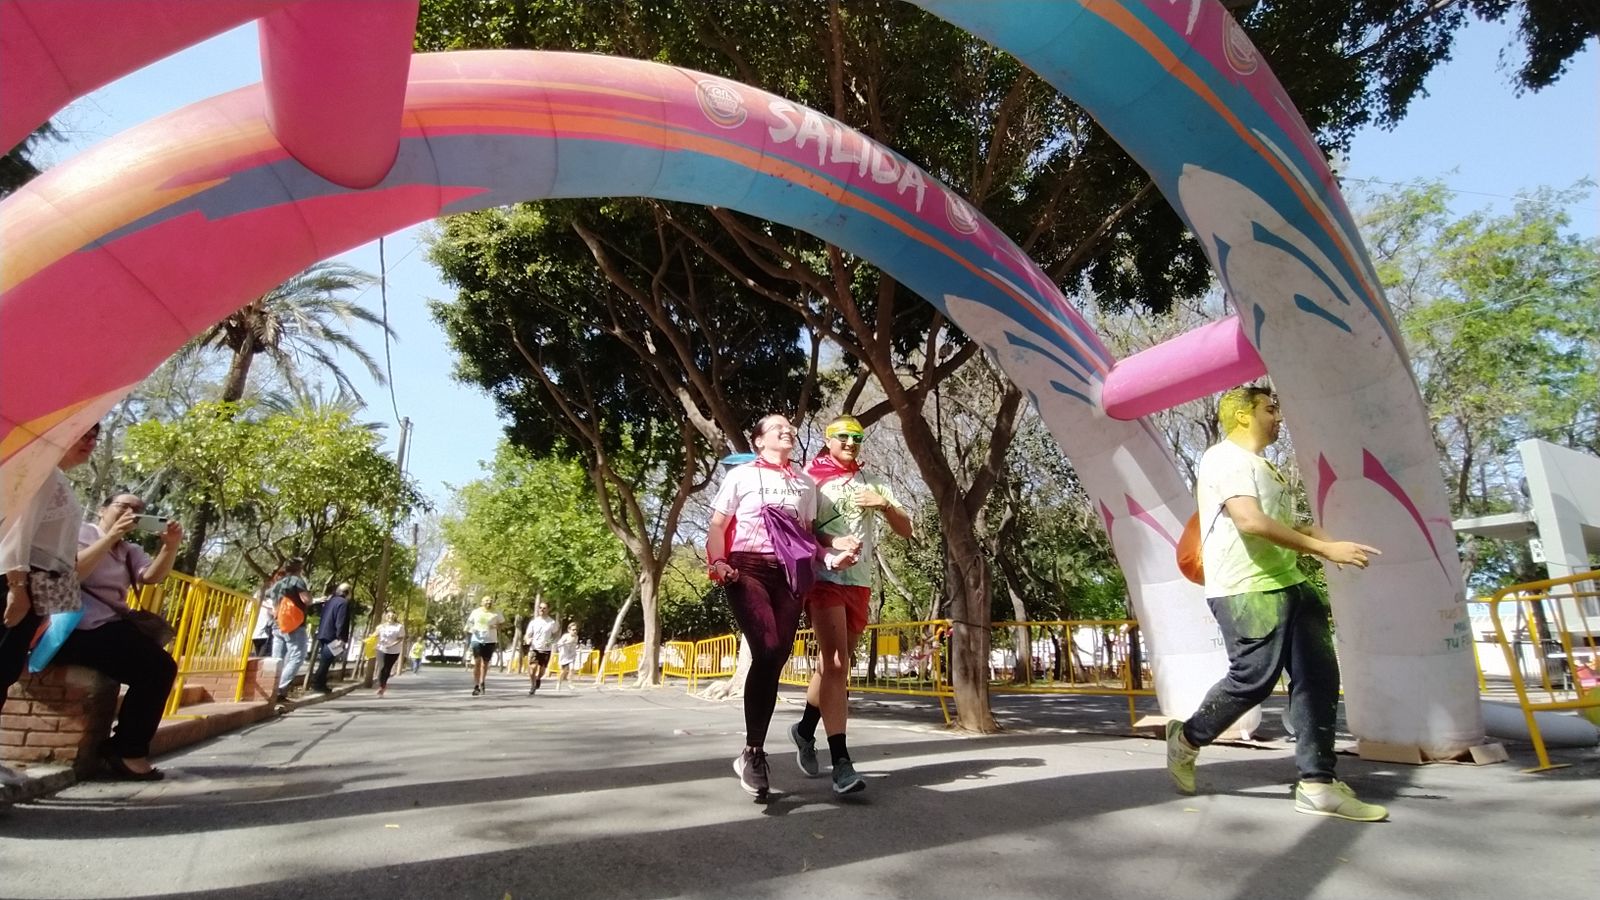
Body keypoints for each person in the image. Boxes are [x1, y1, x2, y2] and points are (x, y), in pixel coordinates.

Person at [1166, 386, 1388, 822]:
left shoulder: (1266, 468)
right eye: (1270, 409)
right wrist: (1323, 550)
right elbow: (1249, 522)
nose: (1278, 418)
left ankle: (1318, 784)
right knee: (1253, 679)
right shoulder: (1223, 457)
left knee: (1319, 679)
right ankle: (1188, 739)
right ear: (1243, 415)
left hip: (1291, 582)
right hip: (1245, 588)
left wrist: (1315, 534)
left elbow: (1274, 524)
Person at [706, 413, 836, 799]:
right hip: (746, 569)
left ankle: (751, 753)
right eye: (777, 427)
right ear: (758, 440)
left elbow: (807, 537)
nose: (787, 430)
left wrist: (830, 557)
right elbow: (716, 525)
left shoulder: (805, 483)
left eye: (790, 427)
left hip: (788, 575)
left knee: (778, 653)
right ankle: (754, 752)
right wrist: (718, 562)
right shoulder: (741, 476)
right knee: (765, 649)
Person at [791, 415, 912, 795]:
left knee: (836, 668)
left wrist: (884, 505)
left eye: (857, 437)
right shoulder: (811, 477)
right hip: (824, 578)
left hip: (859, 585)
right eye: (843, 436)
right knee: (837, 665)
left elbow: (907, 529)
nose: (851, 442)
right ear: (828, 440)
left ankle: (804, 729)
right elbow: (801, 525)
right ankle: (841, 762)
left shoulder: (871, 482)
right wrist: (830, 544)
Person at [62, 491, 183, 780]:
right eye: (123, 506)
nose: (131, 512)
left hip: (108, 625)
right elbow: (74, 572)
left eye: (138, 510)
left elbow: (151, 577)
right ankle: (126, 751)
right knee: (157, 668)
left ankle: (126, 746)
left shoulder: (129, 550)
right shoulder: (81, 533)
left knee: (159, 667)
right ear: (103, 510)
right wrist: (109, 537)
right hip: (72, 626)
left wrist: (170, 547)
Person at [2, 424, 98, 725]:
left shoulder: (58, 480)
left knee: (7, 666)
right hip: (18, 580)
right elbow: (18, 531)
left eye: (95, 436)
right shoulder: (43, 474)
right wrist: (17, 588)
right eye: (83, 433)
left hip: (36, 585)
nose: (90, 442)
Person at [270, 559, 313, 703]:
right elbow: (306, 599)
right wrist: (311, 596)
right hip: (293, 625)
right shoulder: (296, 581)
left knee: (277, 659)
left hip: (277, 624)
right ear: (299, 568)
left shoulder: (278, 583)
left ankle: (270, 687)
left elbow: (272, 602)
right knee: (297, 657)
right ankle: (279, 689)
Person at [309, 582, 352, 694]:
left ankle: (321, 683)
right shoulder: (343, 603)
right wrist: (341, 638)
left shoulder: (330, 601)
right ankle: (317, 683)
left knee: (326, 660)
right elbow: (340, 621)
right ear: (348, 592)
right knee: (326, 661)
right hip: (333, 636)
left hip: (324, 633)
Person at [466, 596, 504, 696]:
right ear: (482, 602)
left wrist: (496, 626)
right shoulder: (476, 612)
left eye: (490, 601)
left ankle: (482, 681)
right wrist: (472, 628)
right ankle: (476, 686)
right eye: (487, 600)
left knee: (485, 663)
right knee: (477, 662)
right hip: (477, 639)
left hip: (490, 640)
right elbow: (469, 623)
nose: (489, 602)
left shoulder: (496, 612)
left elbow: (503, 624)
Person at [524, 600, 559, 696]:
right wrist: (528, 640)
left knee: (542, 670)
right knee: (533, 667)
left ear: (548, 609)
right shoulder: (534, 622)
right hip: (534, 648)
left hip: (546, 649)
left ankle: (538, 678)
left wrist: (550, 642)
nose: (542, 610)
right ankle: (533, 684)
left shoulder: (551, 622)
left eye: (544, 608)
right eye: (540, 608)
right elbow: (527, 634)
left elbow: (556, 635)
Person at [251, 565, 283, 657]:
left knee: (261, 656)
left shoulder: (274, 597)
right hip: (258, 631)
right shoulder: (259, 595)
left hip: (265, 632)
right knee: (260, 656)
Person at [374, 609, 405, 696]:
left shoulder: (399, 627)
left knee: (387, 668)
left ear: (395, 617)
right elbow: (375, 635)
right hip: (381, 648)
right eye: (388, 616)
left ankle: (384, 684)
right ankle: (381, 686)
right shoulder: (381, 627)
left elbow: (400, 638)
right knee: (382, 667)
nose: (390, 618)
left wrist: (391, 645)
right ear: (385, 616)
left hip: (394, 651)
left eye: (392, 616)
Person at [554, 622, 581, 691]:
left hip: (571, 655)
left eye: (576, 630)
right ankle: (559, 683)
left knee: (572, 669)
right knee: (563, 671)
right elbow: (559, 644)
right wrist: (566, 643)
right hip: (564, 656)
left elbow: (574, 645)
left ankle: (570, 683)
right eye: (573, 630)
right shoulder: (565, 636)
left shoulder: (576, 637)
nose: (575, 631)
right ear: (569, 630)